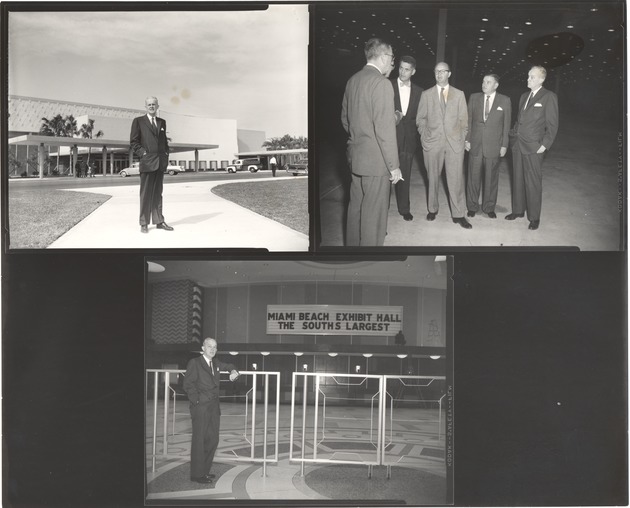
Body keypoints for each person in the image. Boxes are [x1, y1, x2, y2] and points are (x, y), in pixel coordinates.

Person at [341, 38, 402, 246]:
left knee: (356, 210)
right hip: (376, 164)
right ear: (384, 57)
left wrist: (361, 136)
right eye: (392, 58)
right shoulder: (381, 83)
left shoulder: (352, 80)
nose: (392, 62)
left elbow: (345, 120)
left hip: (356, 158)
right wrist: (394, 167)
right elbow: (384, 130)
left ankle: (352, 254)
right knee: (373, 218)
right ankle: (370, 258)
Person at [416, 62, 471, 229]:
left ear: (449, 73)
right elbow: (420, 120)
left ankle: (459, 214)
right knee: (432, 177)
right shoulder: (426, 94)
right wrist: (425, 137)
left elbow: (464, 121)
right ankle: (432, 209)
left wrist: (460, 139)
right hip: (433, 143)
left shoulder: (459, 94)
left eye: (442, 71)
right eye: (436, 71)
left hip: (454, 144)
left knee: (456, 180)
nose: (439, 74)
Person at [506, 66, 559, 230]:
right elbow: (519, 120)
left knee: (533, 182)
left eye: (532, 77)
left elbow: (553, 124)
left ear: (542, 79)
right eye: (528, 76)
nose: (528, 79)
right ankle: (518, 211)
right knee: (518, 179)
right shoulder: (524, 96)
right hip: (518, 145)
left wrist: (544, 145)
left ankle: (534, 217)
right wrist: (513, 136)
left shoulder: (549, 96)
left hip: (534, 147)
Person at [183, 338, 240, 484]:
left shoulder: (216, 363)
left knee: (213, 440)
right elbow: (188, 385)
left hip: (214, 408)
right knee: (199, 441)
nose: (212, 349)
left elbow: (229, 365)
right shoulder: (195, 363)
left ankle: (204, 472)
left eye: (215, 347)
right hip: (200, 407)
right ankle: (196, 475)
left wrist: (233, 371)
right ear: (203, 348)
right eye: (209, 346)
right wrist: (197, 401)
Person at [465, 74, 512, 219]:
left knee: (491, 178)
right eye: (483, 81)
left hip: (494, 145)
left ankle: (489, 207)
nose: (484, 84)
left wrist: (504, 145)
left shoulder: (504, 100)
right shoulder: (474, 97)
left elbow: (506, 125)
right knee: (473, 177)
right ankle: (472, 206)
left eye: (488, 82)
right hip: (476, 144)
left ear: (496, 85)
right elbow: (468, 120)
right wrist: (467, 140)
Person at [130, 96, 174, 234]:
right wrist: (143, 153)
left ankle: (159, 221)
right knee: (145, 194)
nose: (151, 106)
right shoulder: (138, 121)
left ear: (157, 106)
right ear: (145, 106)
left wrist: (166, 155)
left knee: (158, 194)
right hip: (147, 163)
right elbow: (134, 142)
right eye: (149, 104)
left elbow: (164, 143)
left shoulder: (162, 122)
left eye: (154, 104)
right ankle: (144, 223)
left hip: (160, 163)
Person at [391, 56, 423, 221]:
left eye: (407, 69)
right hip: (388, 138)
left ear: (413, 71)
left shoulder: (419, 91)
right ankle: (380, 210)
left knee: (405, 175)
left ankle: (404, 209)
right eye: (401, 68)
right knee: (384, 177)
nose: (403, 72)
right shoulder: (387, 85)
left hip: (408, 140)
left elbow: (420, 117)